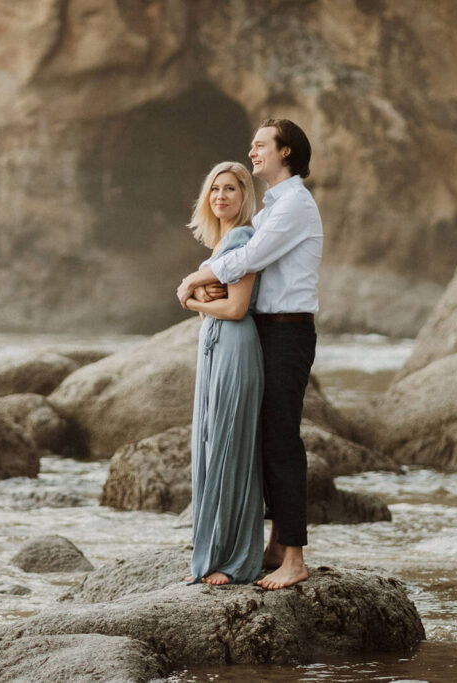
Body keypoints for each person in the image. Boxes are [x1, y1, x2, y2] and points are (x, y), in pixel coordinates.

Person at [177, 119, 322, 590]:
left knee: (282, 441)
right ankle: (278, 544)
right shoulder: (274, 207)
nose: (252, 151)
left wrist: (191, 283)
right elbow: (235, 250)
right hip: (267, 331)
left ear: (285, 151)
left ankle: (295, 559)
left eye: (260, 145)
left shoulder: (294, 204)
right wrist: (206, 274)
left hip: (288, 332)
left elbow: (246, 258)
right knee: (264, 441)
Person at [182, 161, 265, 585]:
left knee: (231, 448)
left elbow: (235, 308)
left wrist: (191, 297)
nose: (221, 197)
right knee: (212, 444)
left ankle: (236, 561)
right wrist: (197, 286)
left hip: (234, 347)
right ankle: (214, 549)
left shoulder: (242, 238)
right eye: (215, 189)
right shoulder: (218, 247)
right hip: (214, 347)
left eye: (231, 189)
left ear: (244, 195)